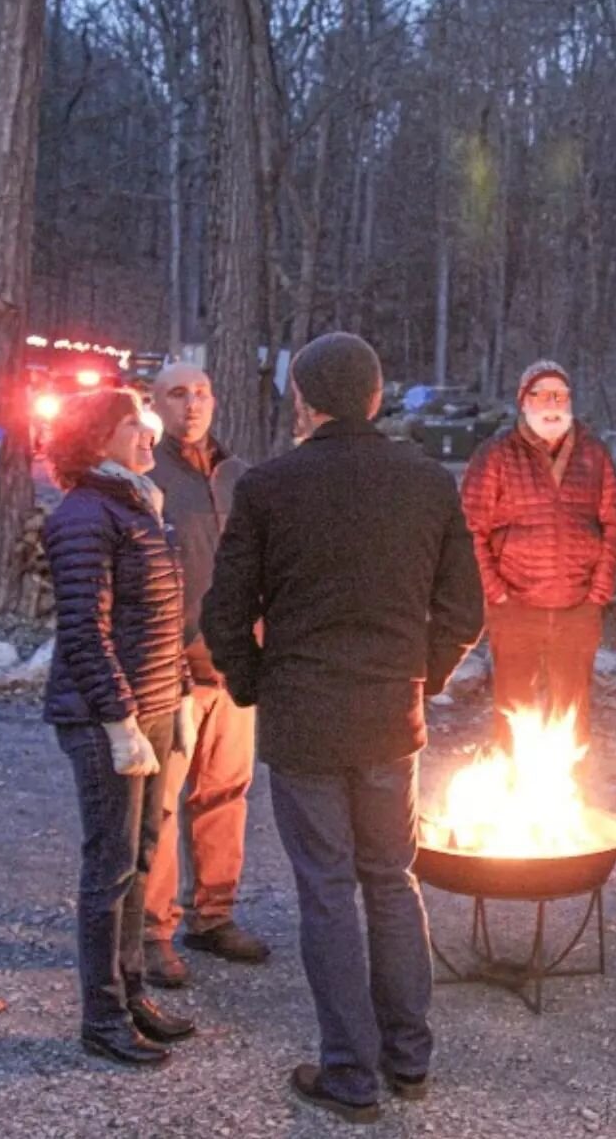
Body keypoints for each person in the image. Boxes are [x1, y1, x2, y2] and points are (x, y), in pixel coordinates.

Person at [201, 332, 483, 1124]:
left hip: (305, 721)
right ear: (375, 395)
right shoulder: (425, 481)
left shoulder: (269, 486)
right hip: (390, 715)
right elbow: (465, 610)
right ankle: (407, 1058)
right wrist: (418, 676)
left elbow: (225, 610)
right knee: (392, 881)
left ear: (305, 401)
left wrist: (254, 683)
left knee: (328, 891)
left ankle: (352, 1074)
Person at [43, 389, 196, 1067]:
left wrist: (181, 694)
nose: (149, 431)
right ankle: (100, 1017)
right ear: (98, 436)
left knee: (139, 859)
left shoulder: (137, 504)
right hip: (108, 717)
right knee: (108, 868)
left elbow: (161, 620)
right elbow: (85, 628)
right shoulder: (84, 514)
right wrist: (119, 720)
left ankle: (131, 993)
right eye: (134, 421)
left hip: (154, 706)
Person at [143, 363, 268, 988]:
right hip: (171, 669)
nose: (191, 405)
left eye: (201, 393)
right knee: (161, 806)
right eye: (177, 394)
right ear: (154, 404)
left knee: (225, 794)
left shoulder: (239, 476)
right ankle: (152, 930)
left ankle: (212, 916)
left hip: (235, 665)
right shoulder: (147, 476)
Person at [460, 359, 616, 749]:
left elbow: (612, 522)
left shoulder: (592, 453)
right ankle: (513, 794)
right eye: (543, 394)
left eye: (561, 395)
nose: (553, 403)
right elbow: (470, 528)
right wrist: (495, 591)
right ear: (524, 401)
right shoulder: (497, 455)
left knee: (573, 714)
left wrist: (599, 589)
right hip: (515, 606)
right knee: (514, 712)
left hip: (578, 606)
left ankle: (569, 799)